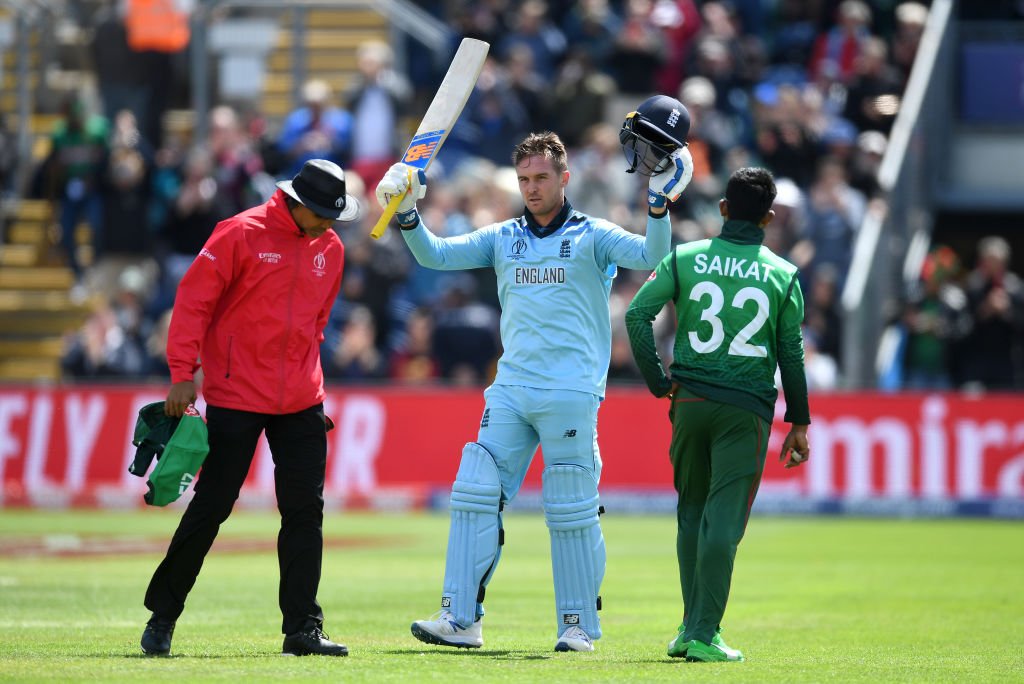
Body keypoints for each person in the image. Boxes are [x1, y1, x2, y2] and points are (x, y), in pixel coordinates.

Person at [374, 95, 694, 653]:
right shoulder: (503, 237)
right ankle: (461, 619)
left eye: (541, 177)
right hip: (513, 387)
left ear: (564, 176)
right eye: (523, 178)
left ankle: (577, 628)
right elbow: (434, 256)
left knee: (570, 507)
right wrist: (406, 213)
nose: (531, 188)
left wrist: (660, 204)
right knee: (475, 492)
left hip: (571, 391)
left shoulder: (594, 235)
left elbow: (650, 257)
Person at [139, 159, 361, 657]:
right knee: (213, 506)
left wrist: (310, 389)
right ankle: (163, 616)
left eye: (334, 215)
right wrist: (182, 374)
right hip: (236, 395)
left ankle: (302, 629)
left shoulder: (331, 246)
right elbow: (192, 302)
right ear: (296, 202)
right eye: (322, 213)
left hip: (302, 399)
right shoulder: (239, 233)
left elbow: (317, 323)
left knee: (305, 512)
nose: (329, 224)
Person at [624, 167, 811, 663]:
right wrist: (800, 420)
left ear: (723, 209)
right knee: (723, 520)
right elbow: (790, 352)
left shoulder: (685, 258)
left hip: (688, 400)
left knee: (690, 512)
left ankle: (690, 627)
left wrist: (659, 381)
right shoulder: (782, 273)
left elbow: (636, 316)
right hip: (744, 407)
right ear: (769, 218)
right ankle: (705, 633)